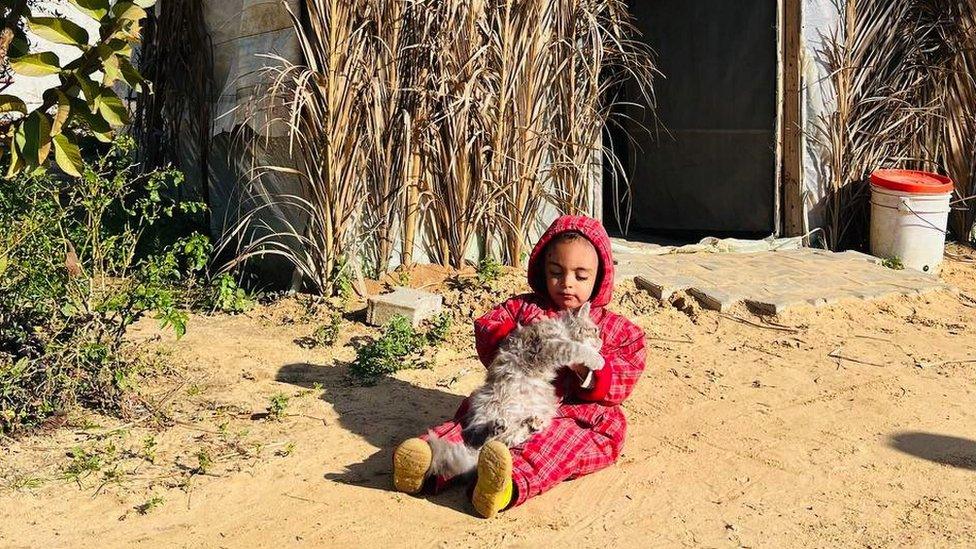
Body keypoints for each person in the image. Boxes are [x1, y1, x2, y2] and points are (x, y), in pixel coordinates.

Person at [392, 215, 647, 518]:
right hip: (511, 400)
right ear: (542, 270)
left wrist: (586, 368)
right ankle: (425, 462)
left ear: (600, 278)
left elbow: (625, 371)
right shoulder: (525, 309)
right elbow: (488, 328)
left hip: (574, 414)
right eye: (556, 272)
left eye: (580, 276)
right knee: (472, 428)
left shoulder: (618, 330)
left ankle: (502, 484)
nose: (566, 283)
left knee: (558, 445)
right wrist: (519, 338)